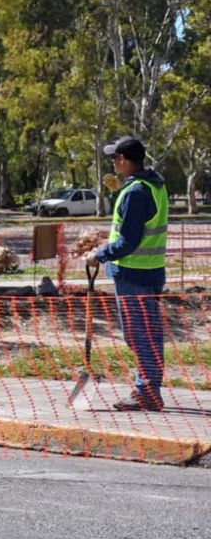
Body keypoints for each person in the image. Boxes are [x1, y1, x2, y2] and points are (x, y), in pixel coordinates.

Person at [86, 136, 168, 412]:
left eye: (114, 158)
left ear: (123, 160)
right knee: (150, 333)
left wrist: (100, 253)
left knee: (138, 334)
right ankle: (149, 388)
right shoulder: (154, 185)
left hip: (134, 273)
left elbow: (128, 242)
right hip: (152, 270)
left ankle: (147, 391)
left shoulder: (135, 192)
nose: (113, 163)